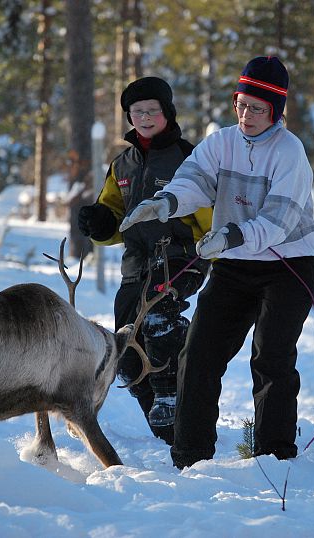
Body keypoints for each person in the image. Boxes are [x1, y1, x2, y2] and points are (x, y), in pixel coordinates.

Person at [119, 56, 314, 468]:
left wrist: (230, 235)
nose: (247, 115)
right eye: (241, 105)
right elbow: (194, 179)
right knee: (198, 356)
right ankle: (190, 456)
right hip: (233, 265)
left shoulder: (289, 153)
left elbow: (279, 220)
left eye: (258, 108)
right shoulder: (222, 141)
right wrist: (166, 203)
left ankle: (275, 458)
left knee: (271, 359)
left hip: (288, 266)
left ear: (276, 111)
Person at [77, 76, 211, 445]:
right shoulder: (123, 164)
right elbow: (113, 217)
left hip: (181, 256)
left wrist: (212, 245)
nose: (146, 117)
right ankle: (166, 427)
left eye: (153, 110)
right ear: (129, 117)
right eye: (138, 111)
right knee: (125, 349)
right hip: (136, 265)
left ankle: (170, 394)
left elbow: (209, 211)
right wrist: (99, 223)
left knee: (158, 313)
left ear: (168, 113)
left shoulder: (188, 158)